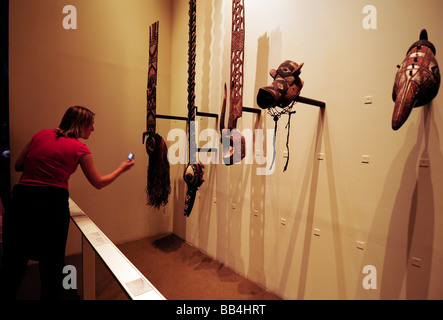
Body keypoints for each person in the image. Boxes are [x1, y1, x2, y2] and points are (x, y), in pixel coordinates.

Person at [0, 106, 135, 299]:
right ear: (81, 125)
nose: (93, 129)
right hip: (52, 206)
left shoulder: (40, 135)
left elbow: (18, 165)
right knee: (52, 265)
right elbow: (98, 183)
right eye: (91, 124)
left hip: (21, 202)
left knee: (12, 264)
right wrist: (122, 168)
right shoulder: (80, 149)